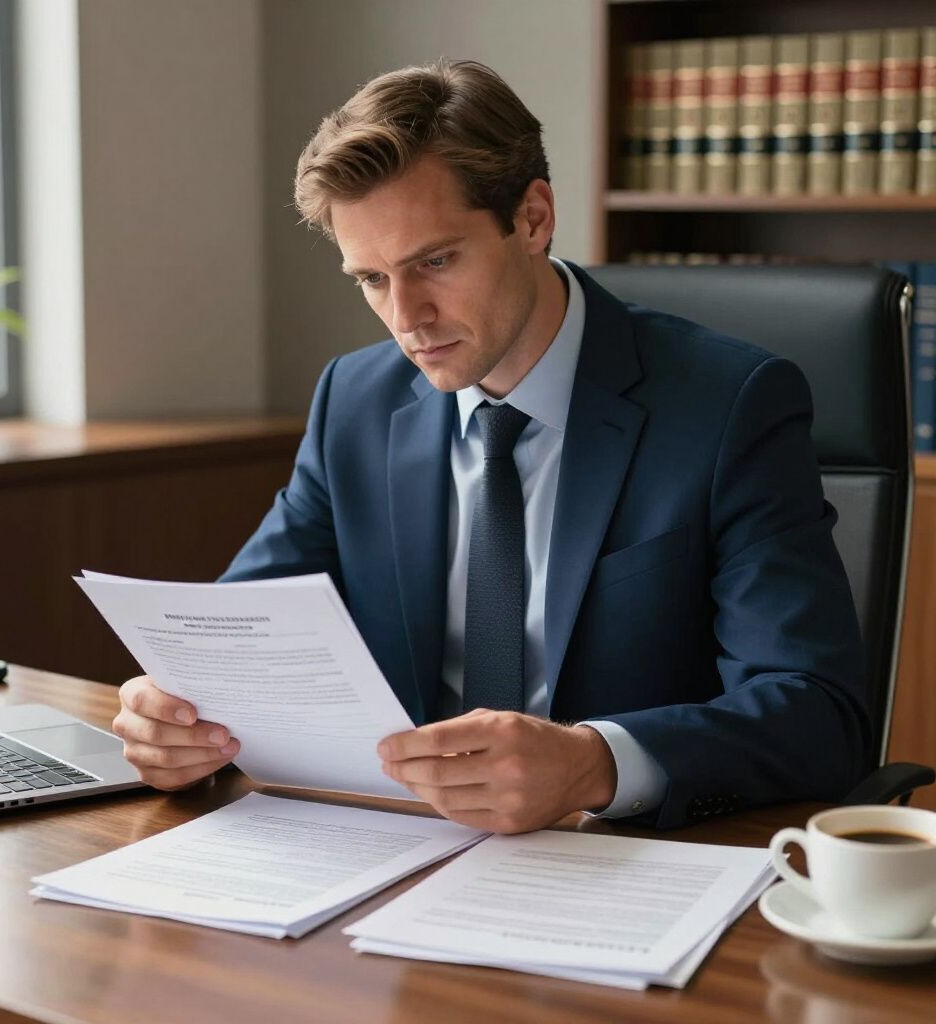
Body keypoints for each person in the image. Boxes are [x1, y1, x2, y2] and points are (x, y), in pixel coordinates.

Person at [112, 60, 868, 833]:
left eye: (434, 262)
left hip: (622, 856)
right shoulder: (356, 401)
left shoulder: (728, 404)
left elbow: (817, 710)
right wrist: (175, 714)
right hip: (395, 847)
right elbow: (239, 634)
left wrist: (592, 764)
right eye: (371, 279)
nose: (407, 318)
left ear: (534, 218)